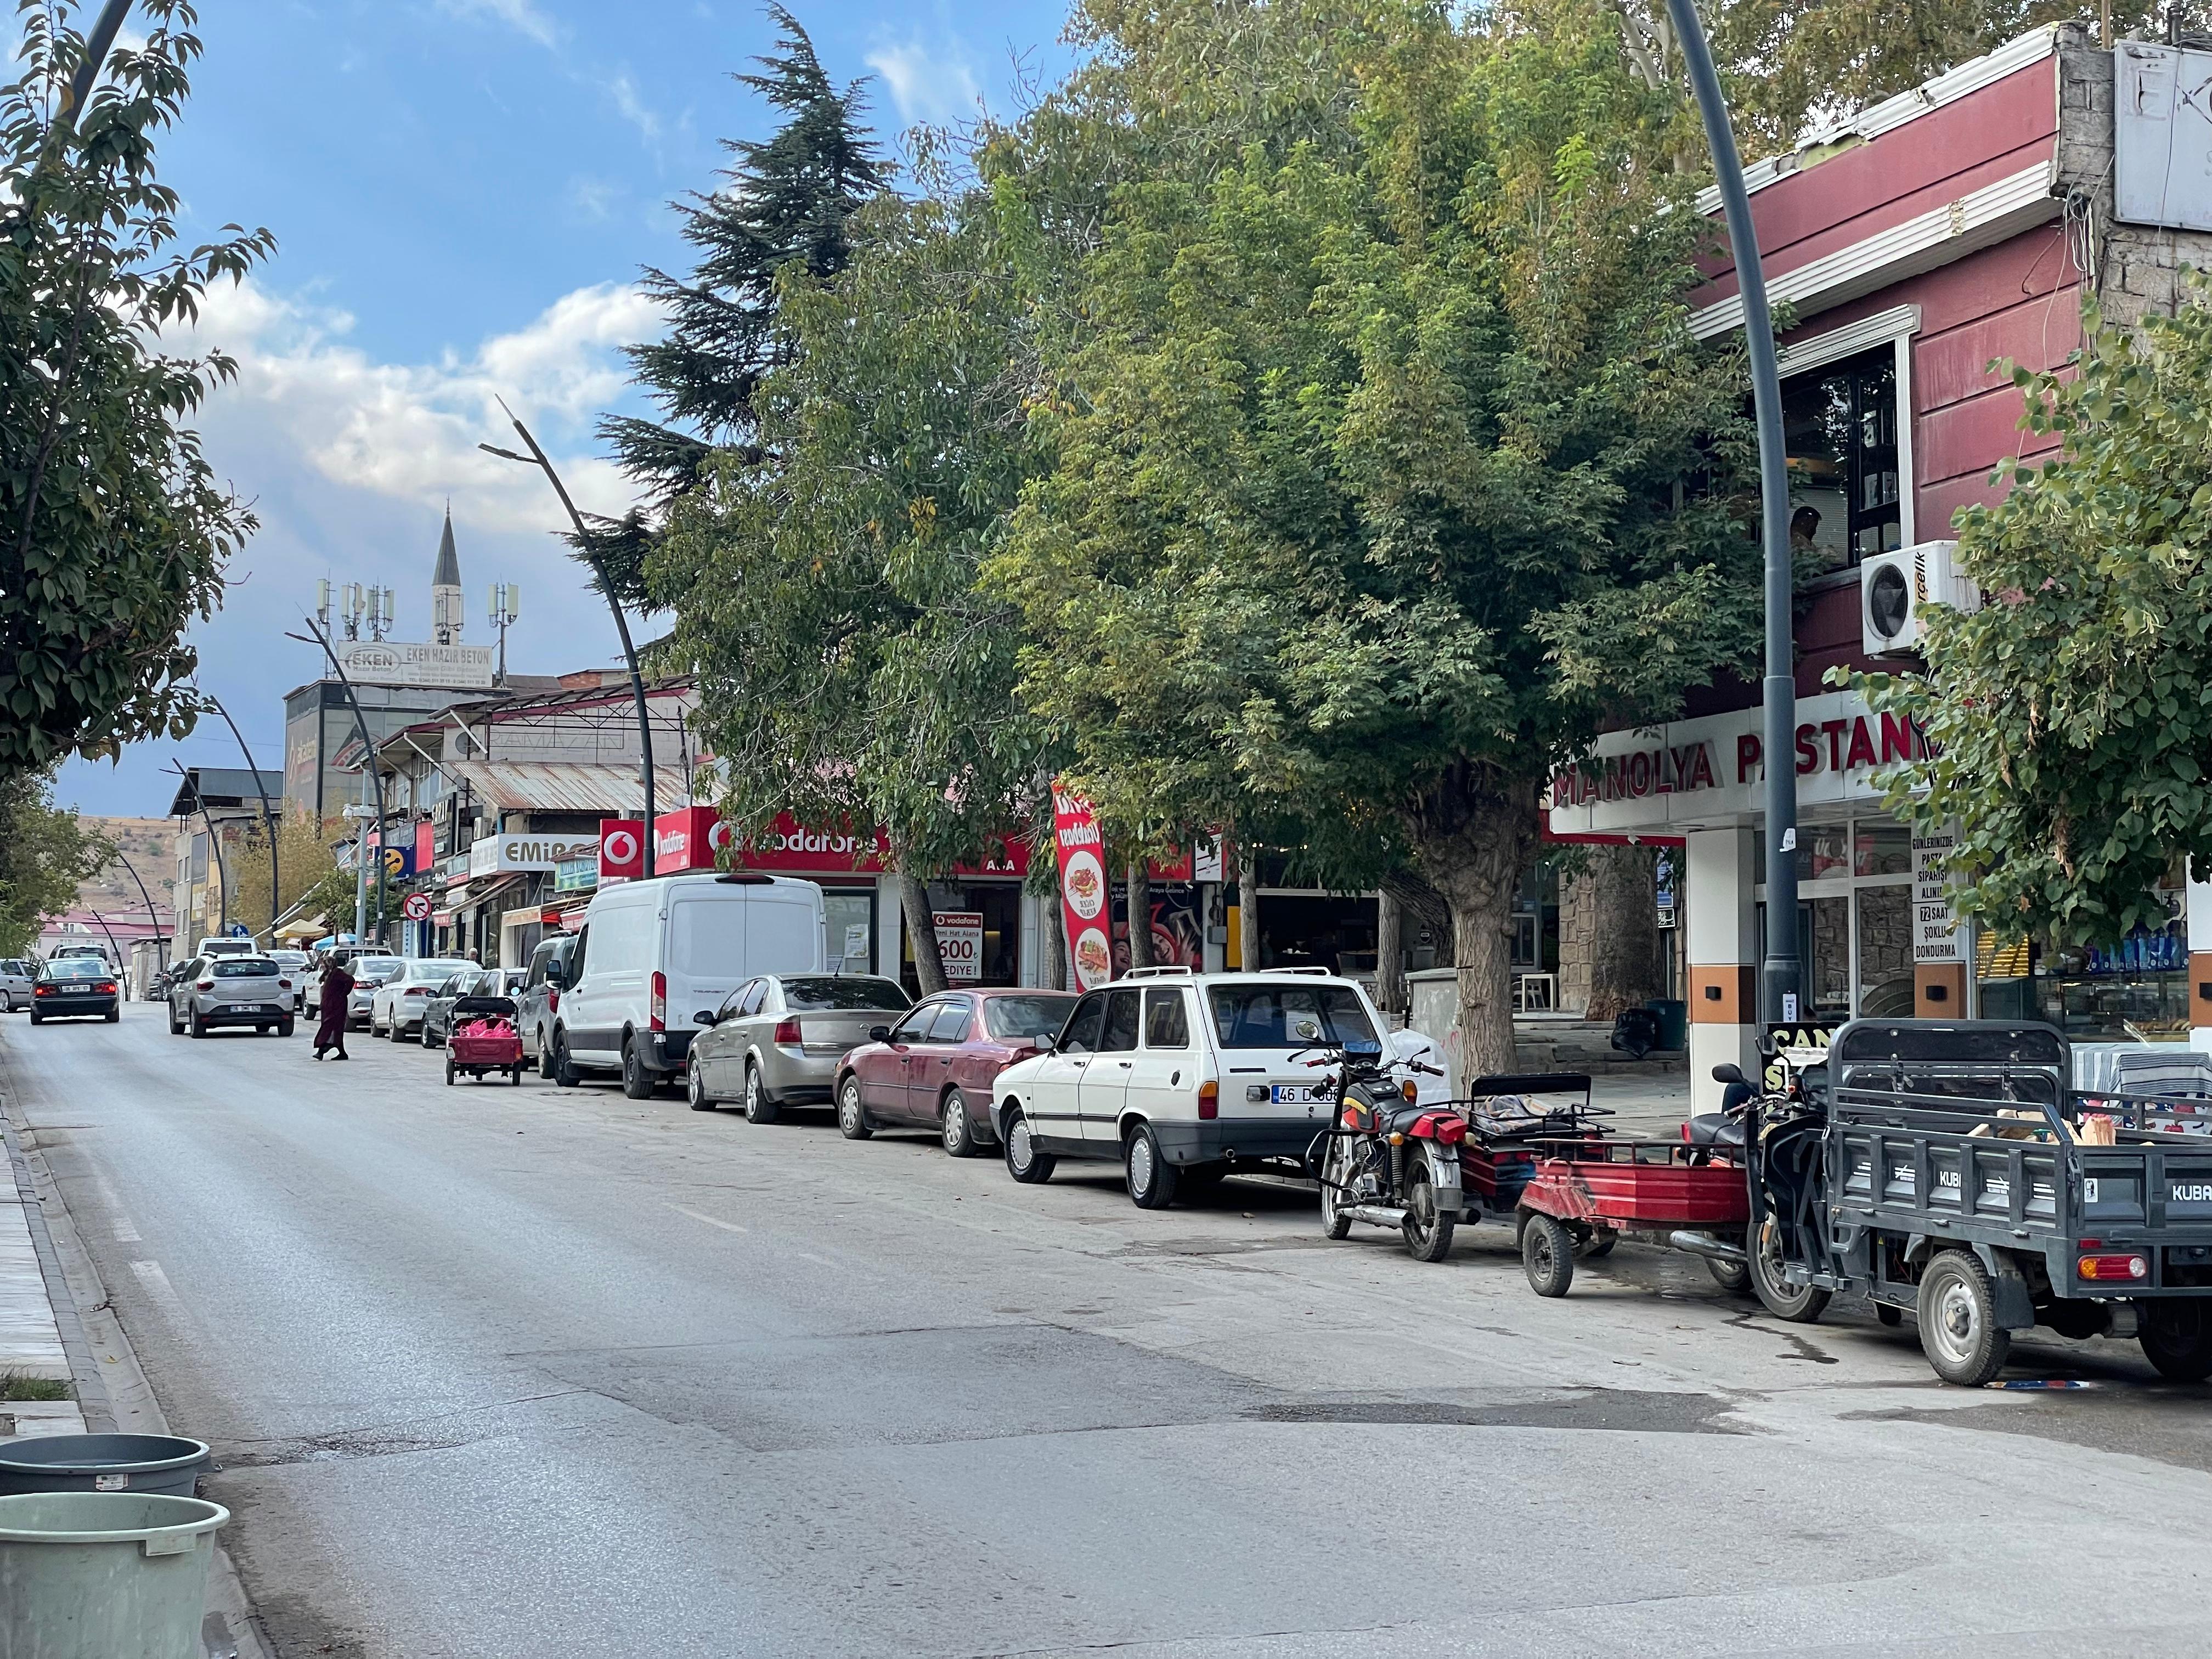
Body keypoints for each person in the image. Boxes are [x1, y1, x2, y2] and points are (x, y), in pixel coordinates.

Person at [313, 956, 354, 1060]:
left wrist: (343, 993)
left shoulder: (337, 973)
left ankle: (321, 1051)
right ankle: (342, 1053)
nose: (322, 966)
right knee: (334, 1028)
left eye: (324, 964)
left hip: (337, 1005)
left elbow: (350, 980)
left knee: (330, 1026)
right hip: (328, 1006)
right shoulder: (327, 974)